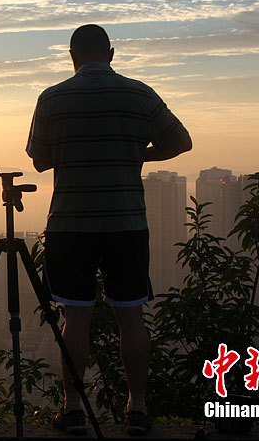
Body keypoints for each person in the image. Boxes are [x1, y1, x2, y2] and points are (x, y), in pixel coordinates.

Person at [26, 24, 191, 437]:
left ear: (71, 56)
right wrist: (135, 153)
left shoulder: (52, 98)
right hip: (126, 223)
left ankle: (74, 409)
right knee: (131, 318)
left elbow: (40, 162)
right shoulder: (140, 94)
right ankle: (137, 409)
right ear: (112, 53)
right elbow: (181, 142)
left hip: (70, 224)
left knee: (76, 321)